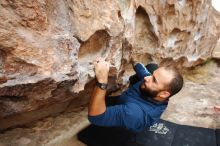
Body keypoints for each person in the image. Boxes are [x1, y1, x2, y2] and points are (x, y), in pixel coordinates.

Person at [88, 57, 183, 132]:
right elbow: (142, 70)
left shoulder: (135, 113)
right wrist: (133, 60)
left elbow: (95, 117)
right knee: (152, 66)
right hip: (130, 101)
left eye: (154, 80)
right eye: (152, 75)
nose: (147, 78)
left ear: (164, 94)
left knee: (97, 103)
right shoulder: (152, 86)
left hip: (124, 125)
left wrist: (102, 81)